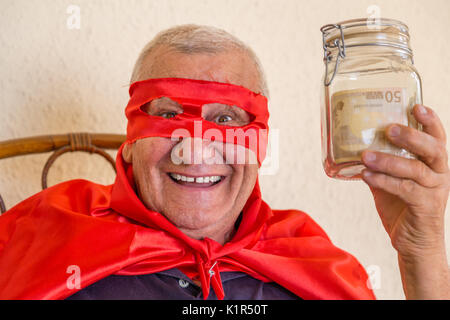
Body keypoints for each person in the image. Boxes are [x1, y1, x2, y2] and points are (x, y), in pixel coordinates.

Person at [0, 24, 448, 300]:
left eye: (227, 119)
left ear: (261, 145)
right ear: (132, 138)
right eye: (168, 113)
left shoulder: (313, 264)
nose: (194, 148)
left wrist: (420, 254)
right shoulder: (38, 235)